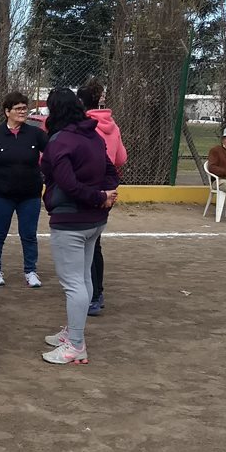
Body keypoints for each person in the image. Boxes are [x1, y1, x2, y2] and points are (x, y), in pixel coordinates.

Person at [40, 89, 119, 365]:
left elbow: (67, 183)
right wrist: (106, 195)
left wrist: (100, 197)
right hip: (94, 220)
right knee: (82, 278)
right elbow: (112, 171)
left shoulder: (60, 142)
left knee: (73, 283)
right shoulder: (93, 136)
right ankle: (74, 334)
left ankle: (75, 344)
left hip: (71, 221)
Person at [0, 91, 47, 289]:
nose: (22, 112)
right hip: (1, 194)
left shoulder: (36, 134)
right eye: (18, 108)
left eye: (24, 108)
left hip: (30, 195)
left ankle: (30, 271)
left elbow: (53, 154)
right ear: (7, 111)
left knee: (29, 234)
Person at [76, 78, 128, 316]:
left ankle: (92, 295)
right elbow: (120, 159)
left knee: (85, 245)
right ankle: (97, 292)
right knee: (95, 242)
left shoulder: (82, 126)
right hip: (107, 189)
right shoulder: (113, 125)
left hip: (86, 189)